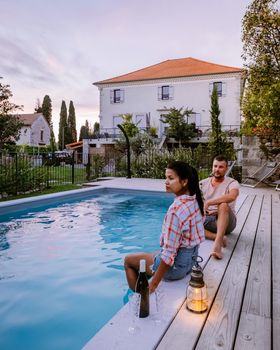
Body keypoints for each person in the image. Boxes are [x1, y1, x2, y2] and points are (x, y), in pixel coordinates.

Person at [124, 161, 205, 294]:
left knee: (128, 261)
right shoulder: (195, 201)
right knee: (150, 256)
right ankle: (145, 279)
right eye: (166, 177)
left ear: (184, 182)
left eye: (171, 178)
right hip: (191, 263)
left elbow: (168, 255)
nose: (166, 182)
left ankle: (140, 296)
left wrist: (154, 284)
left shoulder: (176, 210)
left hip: (175, 269)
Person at [200, 155, 239, 260]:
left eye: (221, 167)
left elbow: (232, 196)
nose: (217, 169)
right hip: (208, 219)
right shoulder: (203, 183)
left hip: (226, 221)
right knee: (186, 224)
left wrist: (209, 202)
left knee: (223, 204)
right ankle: (218, 237)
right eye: (215, 166)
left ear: (226, 168)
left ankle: (217, 245)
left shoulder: (232, 183)